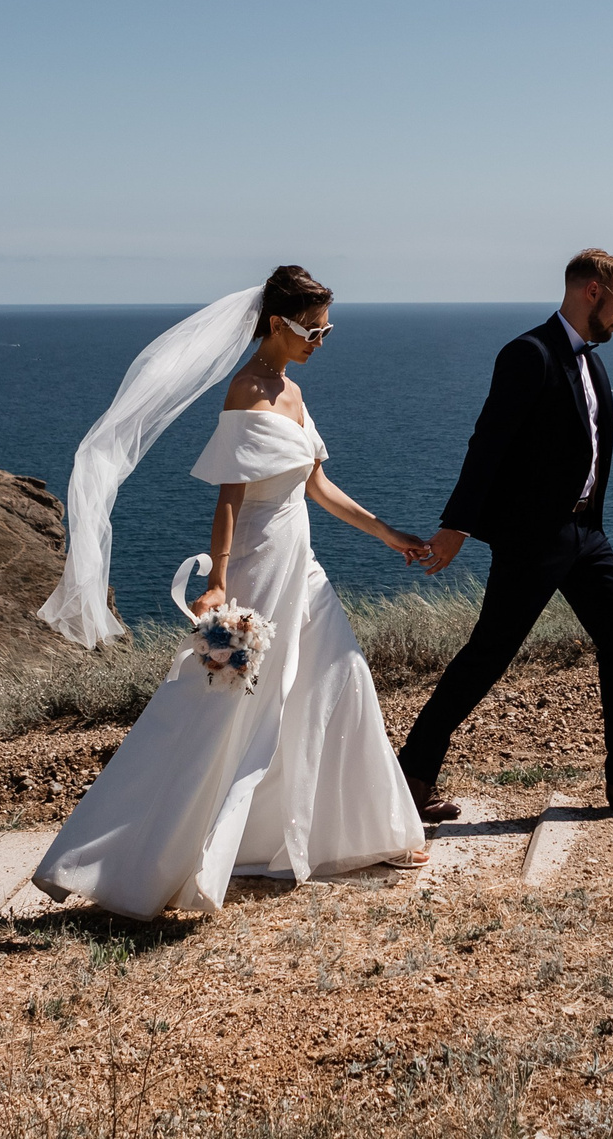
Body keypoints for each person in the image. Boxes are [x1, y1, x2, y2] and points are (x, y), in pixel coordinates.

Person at [31, 265, 433, 919]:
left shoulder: (294, 393)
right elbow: (229, 497)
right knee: (216, 706)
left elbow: (317, 486)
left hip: (301, 564)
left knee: (339, 678)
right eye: (312, 328)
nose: (321, 340)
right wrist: (218, 579)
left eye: (328, 329)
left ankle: (369, 832)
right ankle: (123, 854)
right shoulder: (245, 391)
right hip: (255, 569)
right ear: (277, 323)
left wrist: (388, 534)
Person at [395, 248, 613, 820]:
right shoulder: (528, 354)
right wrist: (455, 526)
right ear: (592, 293)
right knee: (488, 654)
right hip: (534, 540)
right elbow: (488, 443)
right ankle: (412, 777)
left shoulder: (592, 361)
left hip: (585, 534)